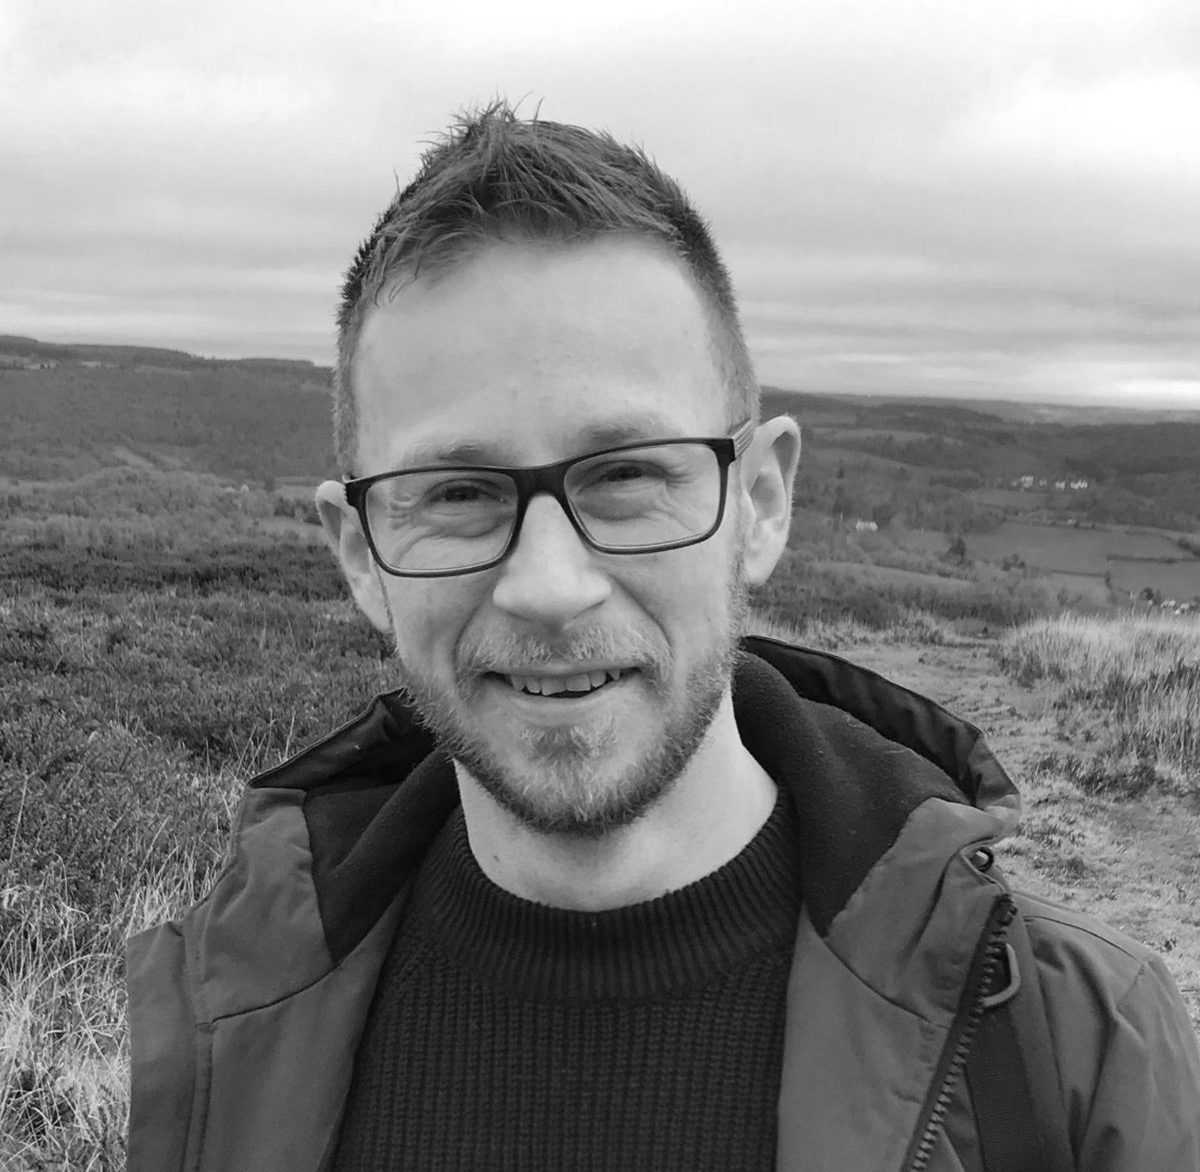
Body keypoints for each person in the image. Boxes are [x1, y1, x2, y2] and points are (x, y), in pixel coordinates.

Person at [127, 101, 1200, 1172]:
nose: (550, 588)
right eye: (456, 493)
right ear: (361, 554)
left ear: (761, 503)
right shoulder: (225, 1034)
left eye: (629, 474)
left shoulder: (1081, 1050)